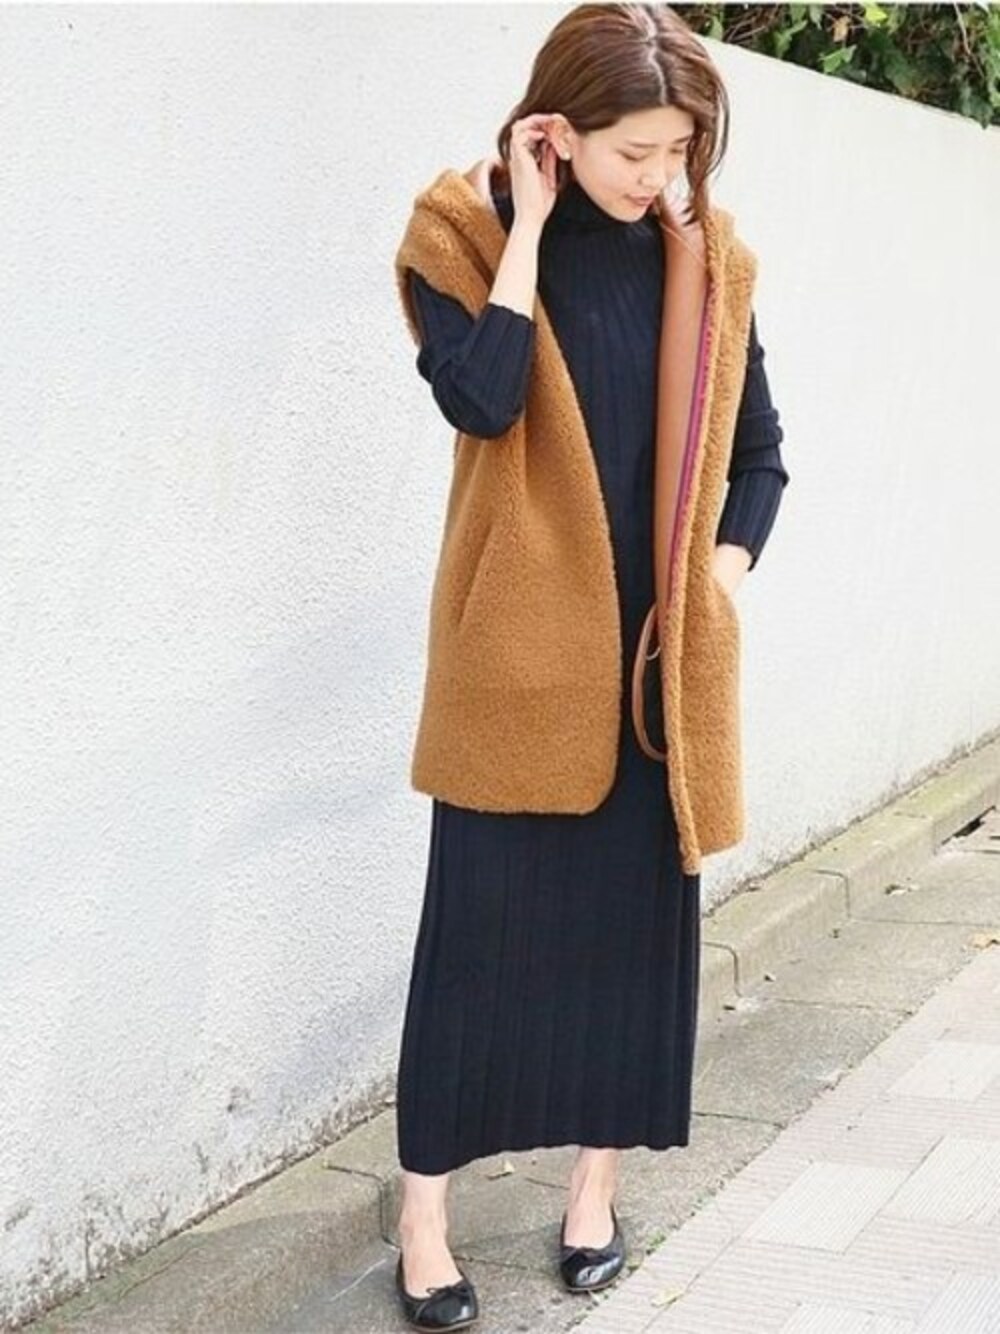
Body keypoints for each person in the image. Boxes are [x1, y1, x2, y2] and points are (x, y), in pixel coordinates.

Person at [390, 4, 790, 1328]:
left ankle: (592, 1197)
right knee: (476, 950)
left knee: (629, 953)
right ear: (556, 129)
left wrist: (715, 587)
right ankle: (425, 1218)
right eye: (634, 151)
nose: (659, 177)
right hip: (513, 672)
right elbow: (482, 397)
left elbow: (761, 459)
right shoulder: (458, 238)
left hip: (651, 684)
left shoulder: (705, 264)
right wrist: (528, 231)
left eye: (680, 151)